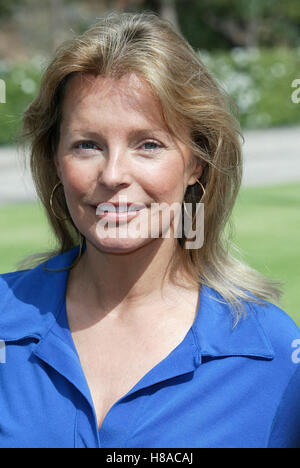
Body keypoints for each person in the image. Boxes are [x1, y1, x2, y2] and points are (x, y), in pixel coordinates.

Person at [0, 11, 299, 449]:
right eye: (87, 145)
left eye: (148, 144)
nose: (114, 173)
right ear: (55, 161)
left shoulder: (275, 356)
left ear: (196, 161)